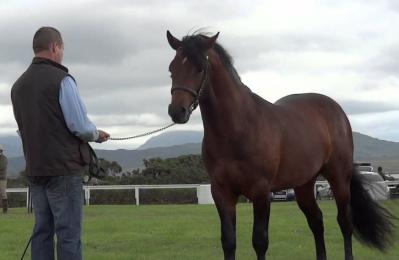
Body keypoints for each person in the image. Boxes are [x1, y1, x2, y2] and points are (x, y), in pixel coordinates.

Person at [11, 27, 109, 260]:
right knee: (68, 235)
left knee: (42, 232)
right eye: (62, 48)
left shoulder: (17, 86)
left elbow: (22, 129)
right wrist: (97, 134)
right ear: (55, 47)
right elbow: (79, 126)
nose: (62, 53)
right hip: (63, 170)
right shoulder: (62, 80)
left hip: (35, 170)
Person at [0, 144, 7, 214]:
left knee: (3, 193)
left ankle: (5, 210)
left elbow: (1, 167)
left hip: (2, 179)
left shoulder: (4, 158)